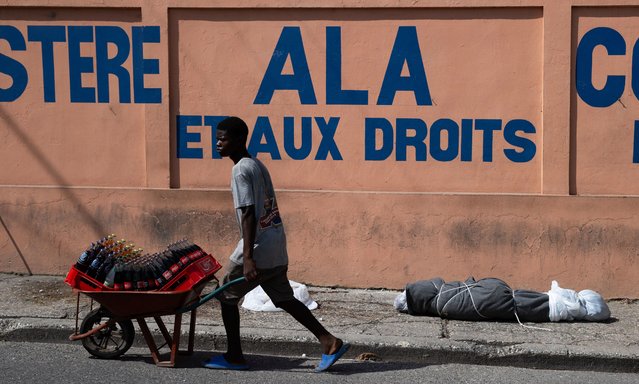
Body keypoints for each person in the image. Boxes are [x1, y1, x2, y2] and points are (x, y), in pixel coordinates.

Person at [203, 116, 349, 372]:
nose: (218, 144)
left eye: (222, 139)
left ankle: (235, 356)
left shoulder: (240, 170)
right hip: (275, 245)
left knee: (225, 294)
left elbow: (248, 213)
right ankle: (329, 341)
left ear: (238, 140)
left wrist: (248, 257)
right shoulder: (256, 164)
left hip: (257, 248)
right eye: (217, 138)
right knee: (283, 298)